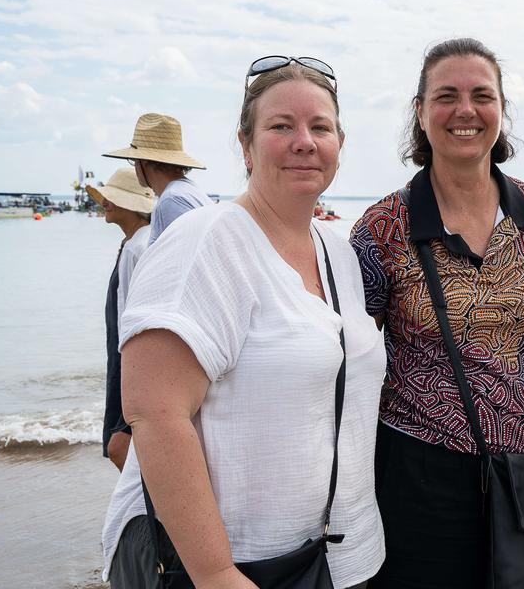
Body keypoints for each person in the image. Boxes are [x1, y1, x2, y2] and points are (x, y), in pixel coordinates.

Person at [100, 56, 387, 588]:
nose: (304, 141)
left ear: (339, 145)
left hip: (334, 555)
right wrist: (215, 574)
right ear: (246, 144)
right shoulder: (207, 241)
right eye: (281, 126)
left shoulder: (339, 251)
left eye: (320, 127)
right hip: (234, 563)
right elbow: (155, 412)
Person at [350, 38, 524, 589]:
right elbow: (350, 359)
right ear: (419, 111)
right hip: (421, 476)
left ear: (501, 109)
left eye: (481, 95)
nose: (465, 110)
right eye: (446, 96)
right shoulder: (383, 227)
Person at [86, 167, 156, 471]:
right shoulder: (136, 242)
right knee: (125, 450)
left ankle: (149, 515)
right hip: (125, 360)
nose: (106, 202)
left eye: (113, 198)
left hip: (129, 362)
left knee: (120, 448)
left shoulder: (138, 247)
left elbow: (135, 320)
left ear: (133, 206)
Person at [103, 112, 211, 244]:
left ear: (145, 162)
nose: (135, 167)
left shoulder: (171, 200)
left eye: (134, 160)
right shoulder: (190, 190)